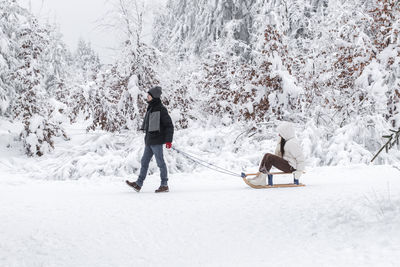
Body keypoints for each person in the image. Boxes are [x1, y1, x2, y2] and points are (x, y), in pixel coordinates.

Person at [126, 86, 174, 193]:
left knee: (160, 163)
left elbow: (169, 125)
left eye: (149, 95)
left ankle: (164, 184)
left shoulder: (161, 109)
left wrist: (168, 141)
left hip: (157, 141)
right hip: (149, 141)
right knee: (144, 161)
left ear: (154, 96)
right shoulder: (150, 108)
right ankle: (138, 184)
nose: (147, 97)